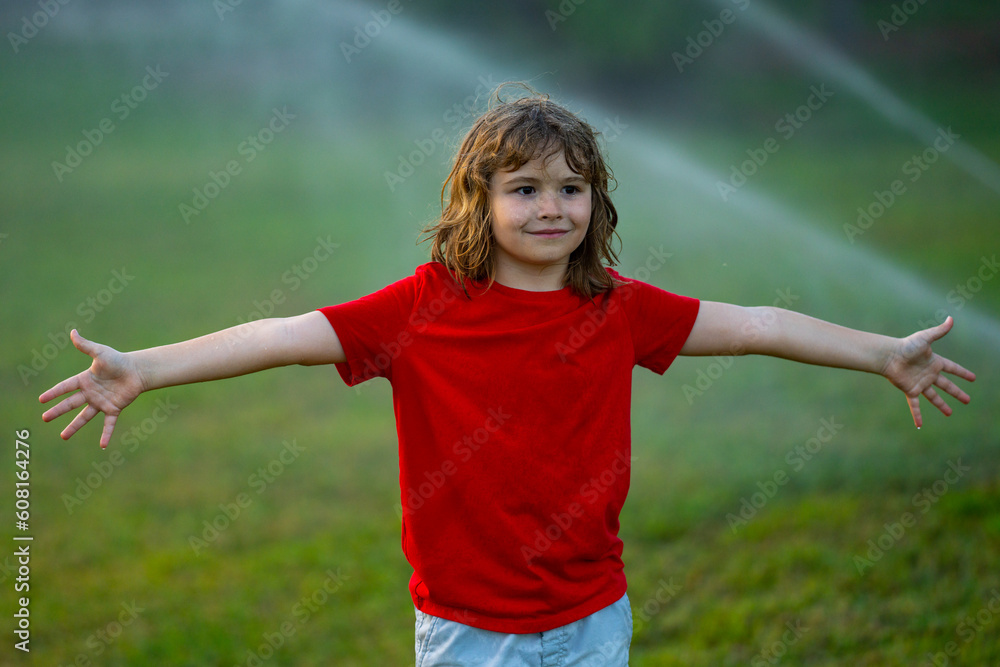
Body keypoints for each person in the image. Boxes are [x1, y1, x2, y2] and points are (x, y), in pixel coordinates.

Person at [40, 86, 975, 666]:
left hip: (592, 613)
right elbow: (281, 332)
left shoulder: (622, 307)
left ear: (595, 202)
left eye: (572, 187)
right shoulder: (420, 309)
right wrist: (147, 368)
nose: (551, 205)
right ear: (476, 202)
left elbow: (759, 323)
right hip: (466, 629)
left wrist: (880, 352)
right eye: (525, 187)